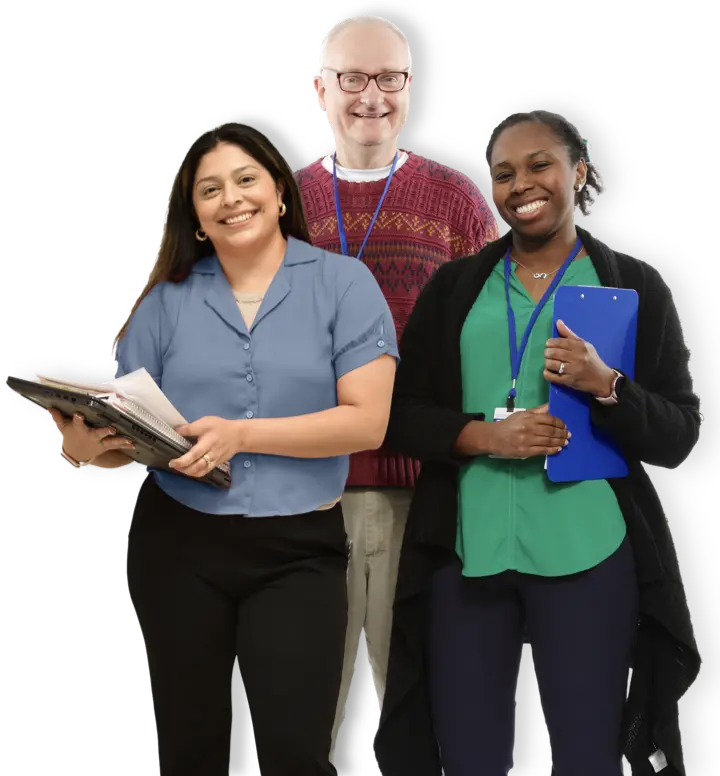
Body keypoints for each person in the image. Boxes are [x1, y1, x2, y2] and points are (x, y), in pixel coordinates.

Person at [48, 121, 399, 776]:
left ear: (280, 194)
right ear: (197, 218)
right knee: (191, 750)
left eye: (245, 180)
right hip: (179, 547)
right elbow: (138, 439)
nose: (231, 198)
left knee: (298, 755)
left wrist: (240, 435)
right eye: (210, 190)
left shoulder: (346, 286)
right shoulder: (163, 304)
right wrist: (85, 449)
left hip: (300, 552)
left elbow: (366, 424)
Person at [373, 110, 702, 776]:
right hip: (468, 554)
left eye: (539, 164)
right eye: (503, 173)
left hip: (589, 553)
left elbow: (679, 434)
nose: (521, 183)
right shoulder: (454, 289)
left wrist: (606, 384)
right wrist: (483, 436)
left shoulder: (634, 284)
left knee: (588, 758)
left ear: (579, 173)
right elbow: (403, 414)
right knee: (467, 759)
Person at [295, 15, 500, 760]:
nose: (371, 96)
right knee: (300, 720)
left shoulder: (455, 199)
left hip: (425, 494)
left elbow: (498, 340)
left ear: (411, 86)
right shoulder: (281, 202)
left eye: (390, 78)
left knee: (417, 717)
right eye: (353, 77)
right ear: (321, 89)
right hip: (306, 493)